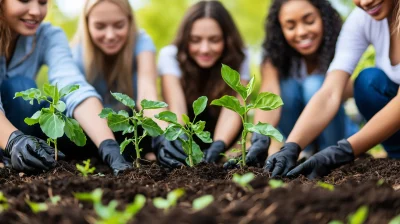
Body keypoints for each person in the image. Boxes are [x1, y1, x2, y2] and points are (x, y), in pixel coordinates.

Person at [266, 0, 400, 179]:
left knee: (369, 81)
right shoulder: (362, 19)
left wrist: (342, 152)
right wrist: (291, 146)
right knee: (368, 82)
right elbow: (329, 92)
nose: (365, 2)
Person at [0, 0, 130, 175]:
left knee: (79, 125)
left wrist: (108, 144)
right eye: (24, 0)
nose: (36, 11)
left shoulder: (48, 36)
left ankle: (20, 156)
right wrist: (13, 140)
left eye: (42, 2)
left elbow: (71, 82)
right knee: (21, 88)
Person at [225, 0, 358, 169]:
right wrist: (260, 138)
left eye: (309, 21)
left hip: (336, 133)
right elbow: (270, 93)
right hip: (296, 137)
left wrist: (323, 89)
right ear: (280, 30)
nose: (301, 32)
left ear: (324, 18)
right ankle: (303, 151)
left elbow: (345, 90)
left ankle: (329, 153)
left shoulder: (340, 48)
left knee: (314, 85)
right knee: (285, 88)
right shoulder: (274, 58)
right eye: (290, 26)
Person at [71, 0, 167, 163]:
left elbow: (147, 93)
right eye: (100, 27)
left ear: (129, 22)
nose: (110, 35)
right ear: (87, 25)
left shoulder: (141, 43)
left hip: (130, 129)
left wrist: (165, 135)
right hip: (92, 132)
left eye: (119, 25)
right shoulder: (76, 54)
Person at [157, 0, 250, 168]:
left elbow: (235, 107)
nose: (205, 49)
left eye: (214, 40)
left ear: (227, 39)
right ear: (185, 39)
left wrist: (219, 144)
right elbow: (176, 106)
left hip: (221, 131)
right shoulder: (170, 55)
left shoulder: (240, 57)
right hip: (187, 132)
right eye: (195, 40)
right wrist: (182, 142)